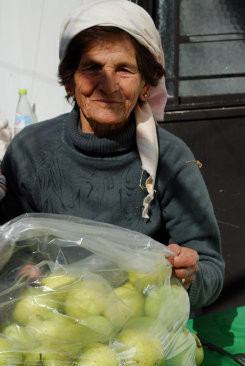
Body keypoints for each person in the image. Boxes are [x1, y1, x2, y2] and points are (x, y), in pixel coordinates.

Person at [0, 0, 224, 311]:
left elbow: (210, 266)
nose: (108, 84)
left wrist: (189, 274)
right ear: (69, 80)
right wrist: (19, 270)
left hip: (141, 328)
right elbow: (8, 244)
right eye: (92, 67)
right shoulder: (29, 151)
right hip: (50, 325)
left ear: (146, 85)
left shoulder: (172, 158)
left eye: (124, 69)